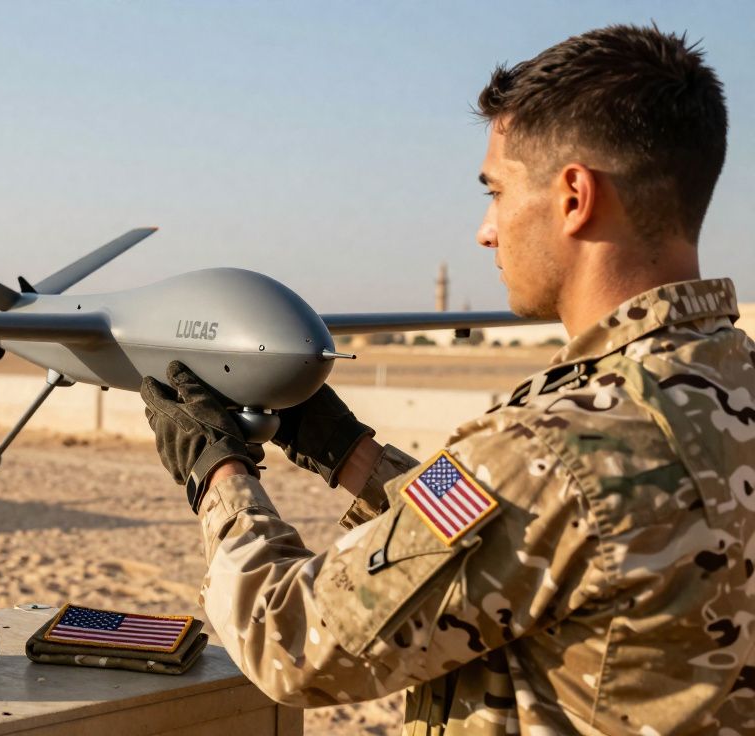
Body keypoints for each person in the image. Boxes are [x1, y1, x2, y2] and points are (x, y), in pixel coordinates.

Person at [140, 24, 754, 735]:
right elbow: (486, 539)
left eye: (495, 191)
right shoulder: (727, 384)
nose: (485, 230)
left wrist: (217, 473)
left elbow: (291, 641)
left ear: (575, 196)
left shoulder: (553, 448)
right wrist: (349, 455)